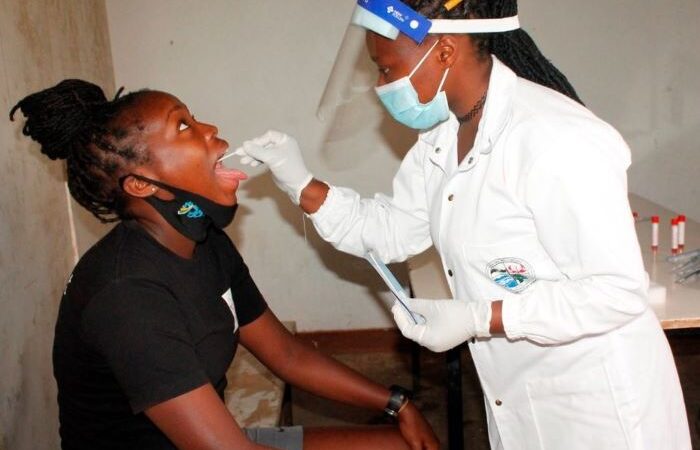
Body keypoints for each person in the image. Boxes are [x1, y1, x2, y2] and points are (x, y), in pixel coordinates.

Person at [232, 0, 692, 449]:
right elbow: (394, 229)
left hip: (598, 404)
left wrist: (479, 316)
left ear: (445, 51)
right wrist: (301, 183)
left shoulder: (555, 139)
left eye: (387, 69)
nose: (380, 84)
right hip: (516, 396)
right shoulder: (442, 136)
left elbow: (615, 290)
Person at [9, 79, 439, 450]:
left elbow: (286, 354)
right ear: (141, 183)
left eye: (194, 118)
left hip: (219, 438)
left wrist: (397, 403)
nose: (210, 130)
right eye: (183, 126)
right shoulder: (125, 296)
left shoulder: (203, 240)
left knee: (406, 444)